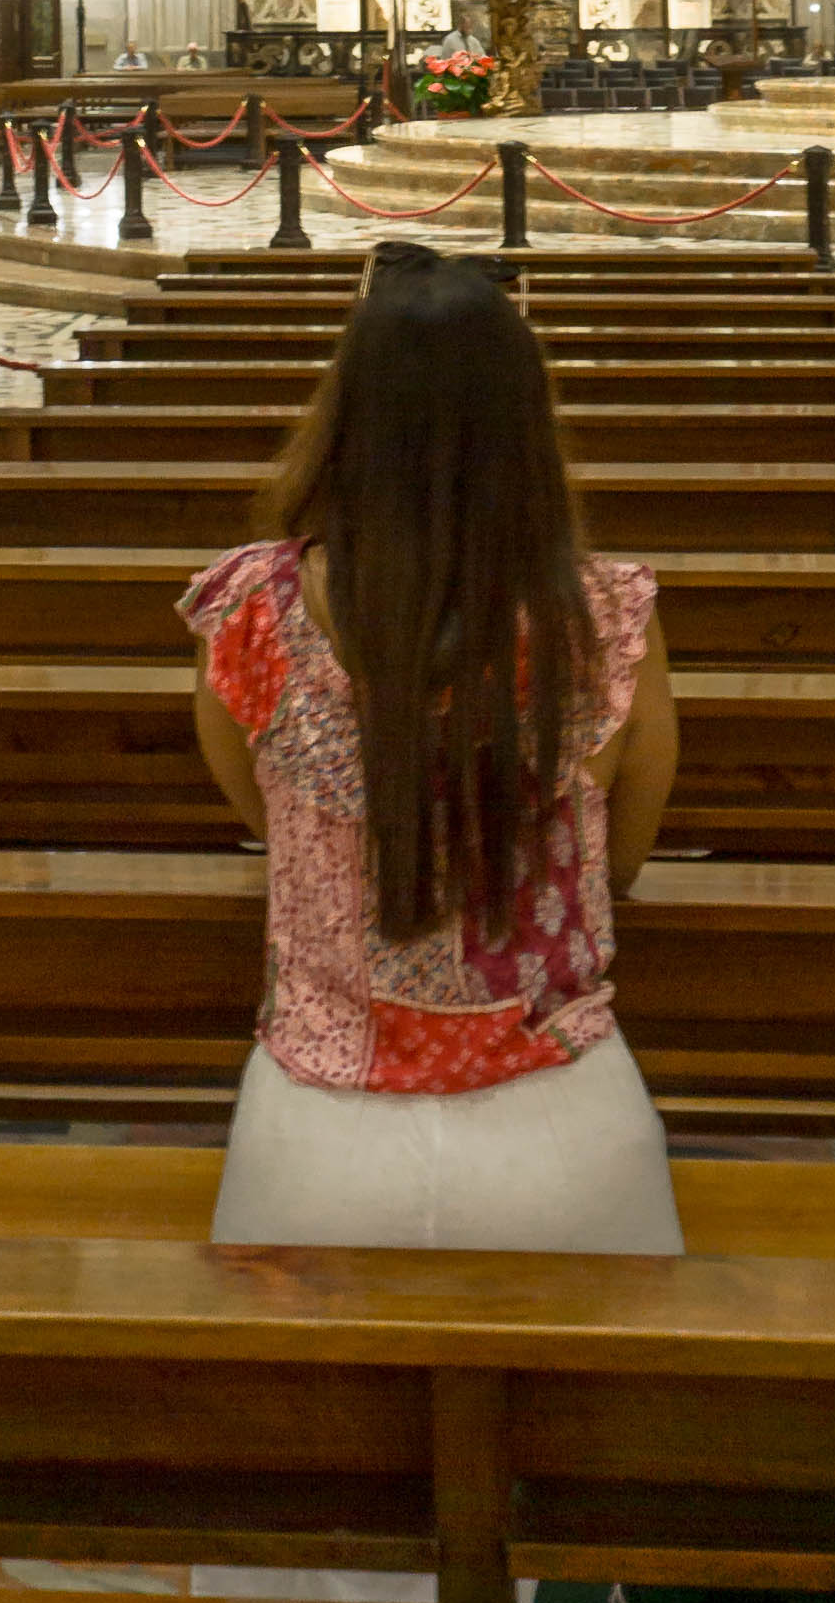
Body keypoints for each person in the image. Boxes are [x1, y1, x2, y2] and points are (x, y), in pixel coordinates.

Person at [180, 244, 682, 1247]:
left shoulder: (251, 610)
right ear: (526, 427)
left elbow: (267, 816)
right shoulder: (605, 617)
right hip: (560, 1123)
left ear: (347, 420)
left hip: (317, 1130)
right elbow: (615, 857)